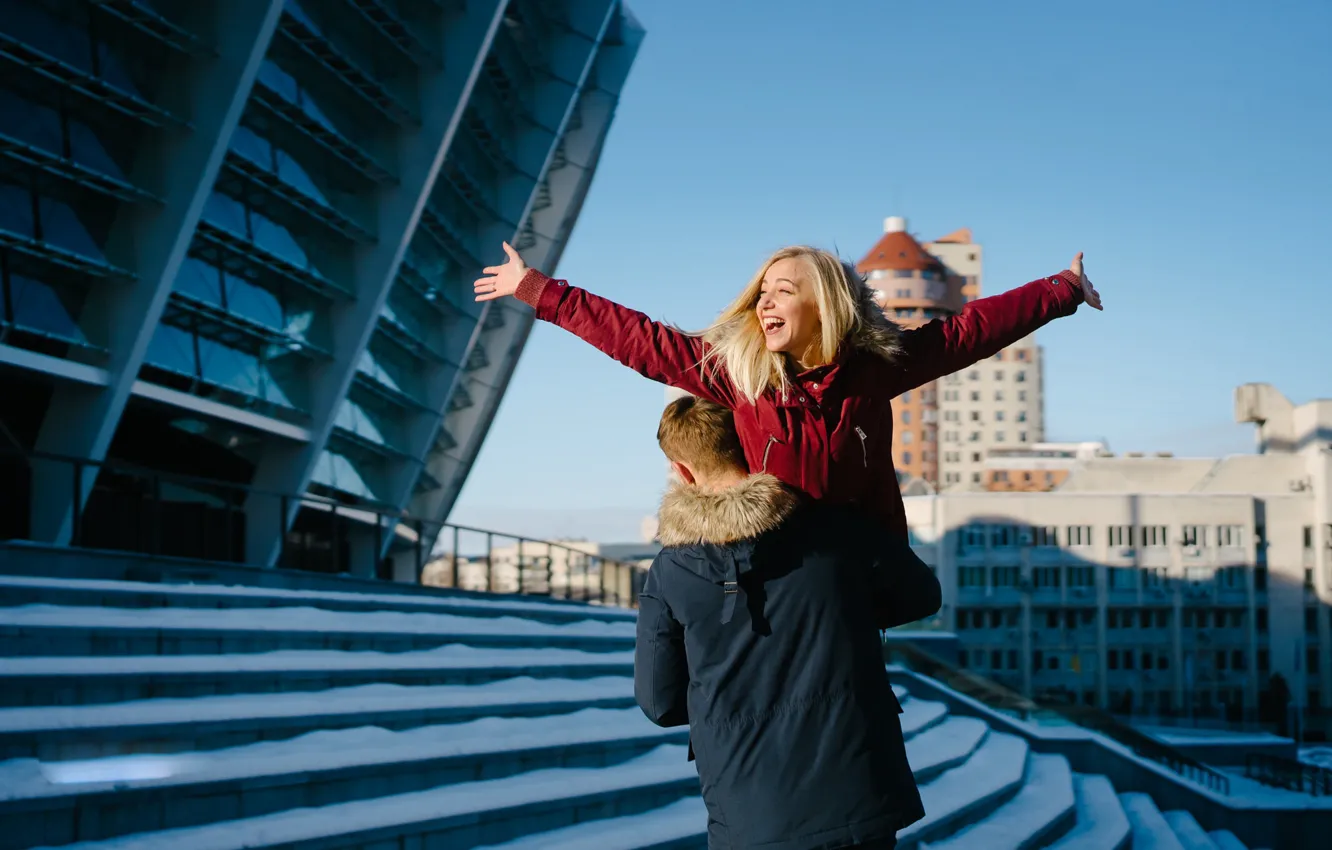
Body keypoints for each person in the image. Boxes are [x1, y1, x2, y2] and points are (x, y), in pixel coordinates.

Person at [474, 242, 1101, 537]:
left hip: (858, 573)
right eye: (761, 293)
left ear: (824, 305)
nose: (765, 303)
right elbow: (639, 339)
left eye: (784, 291)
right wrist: (537, 290)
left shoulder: (877, 368)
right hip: (779, 573)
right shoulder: (740, 377)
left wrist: (1062, 290)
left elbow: (971, 332)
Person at [634, 395, 942, 849]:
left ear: (682, 470)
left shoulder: (670, 570)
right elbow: (922, 596)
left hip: (749, 810)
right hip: (860, 793)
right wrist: (846, 613)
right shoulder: (837, 527)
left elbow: (659, 702)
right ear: (751, 441)